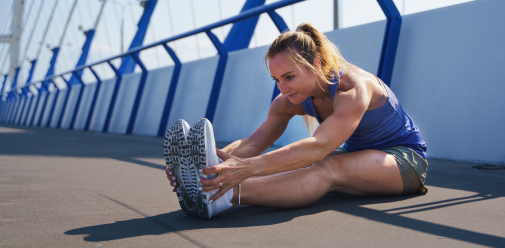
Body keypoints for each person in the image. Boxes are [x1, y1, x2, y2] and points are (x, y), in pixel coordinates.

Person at [164, 23, 427, 219]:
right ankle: (211, 187)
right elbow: (254, 141)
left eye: (289, 77)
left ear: (315, 64)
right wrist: (208, 165)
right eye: (277, 80)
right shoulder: (288, 102)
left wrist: (244, 170)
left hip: (404, 161)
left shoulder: (354, 88)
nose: (282, 88)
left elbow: (317, 146)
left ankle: (225, 196)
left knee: (325, 166)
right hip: (361, 155)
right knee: (290, 164)